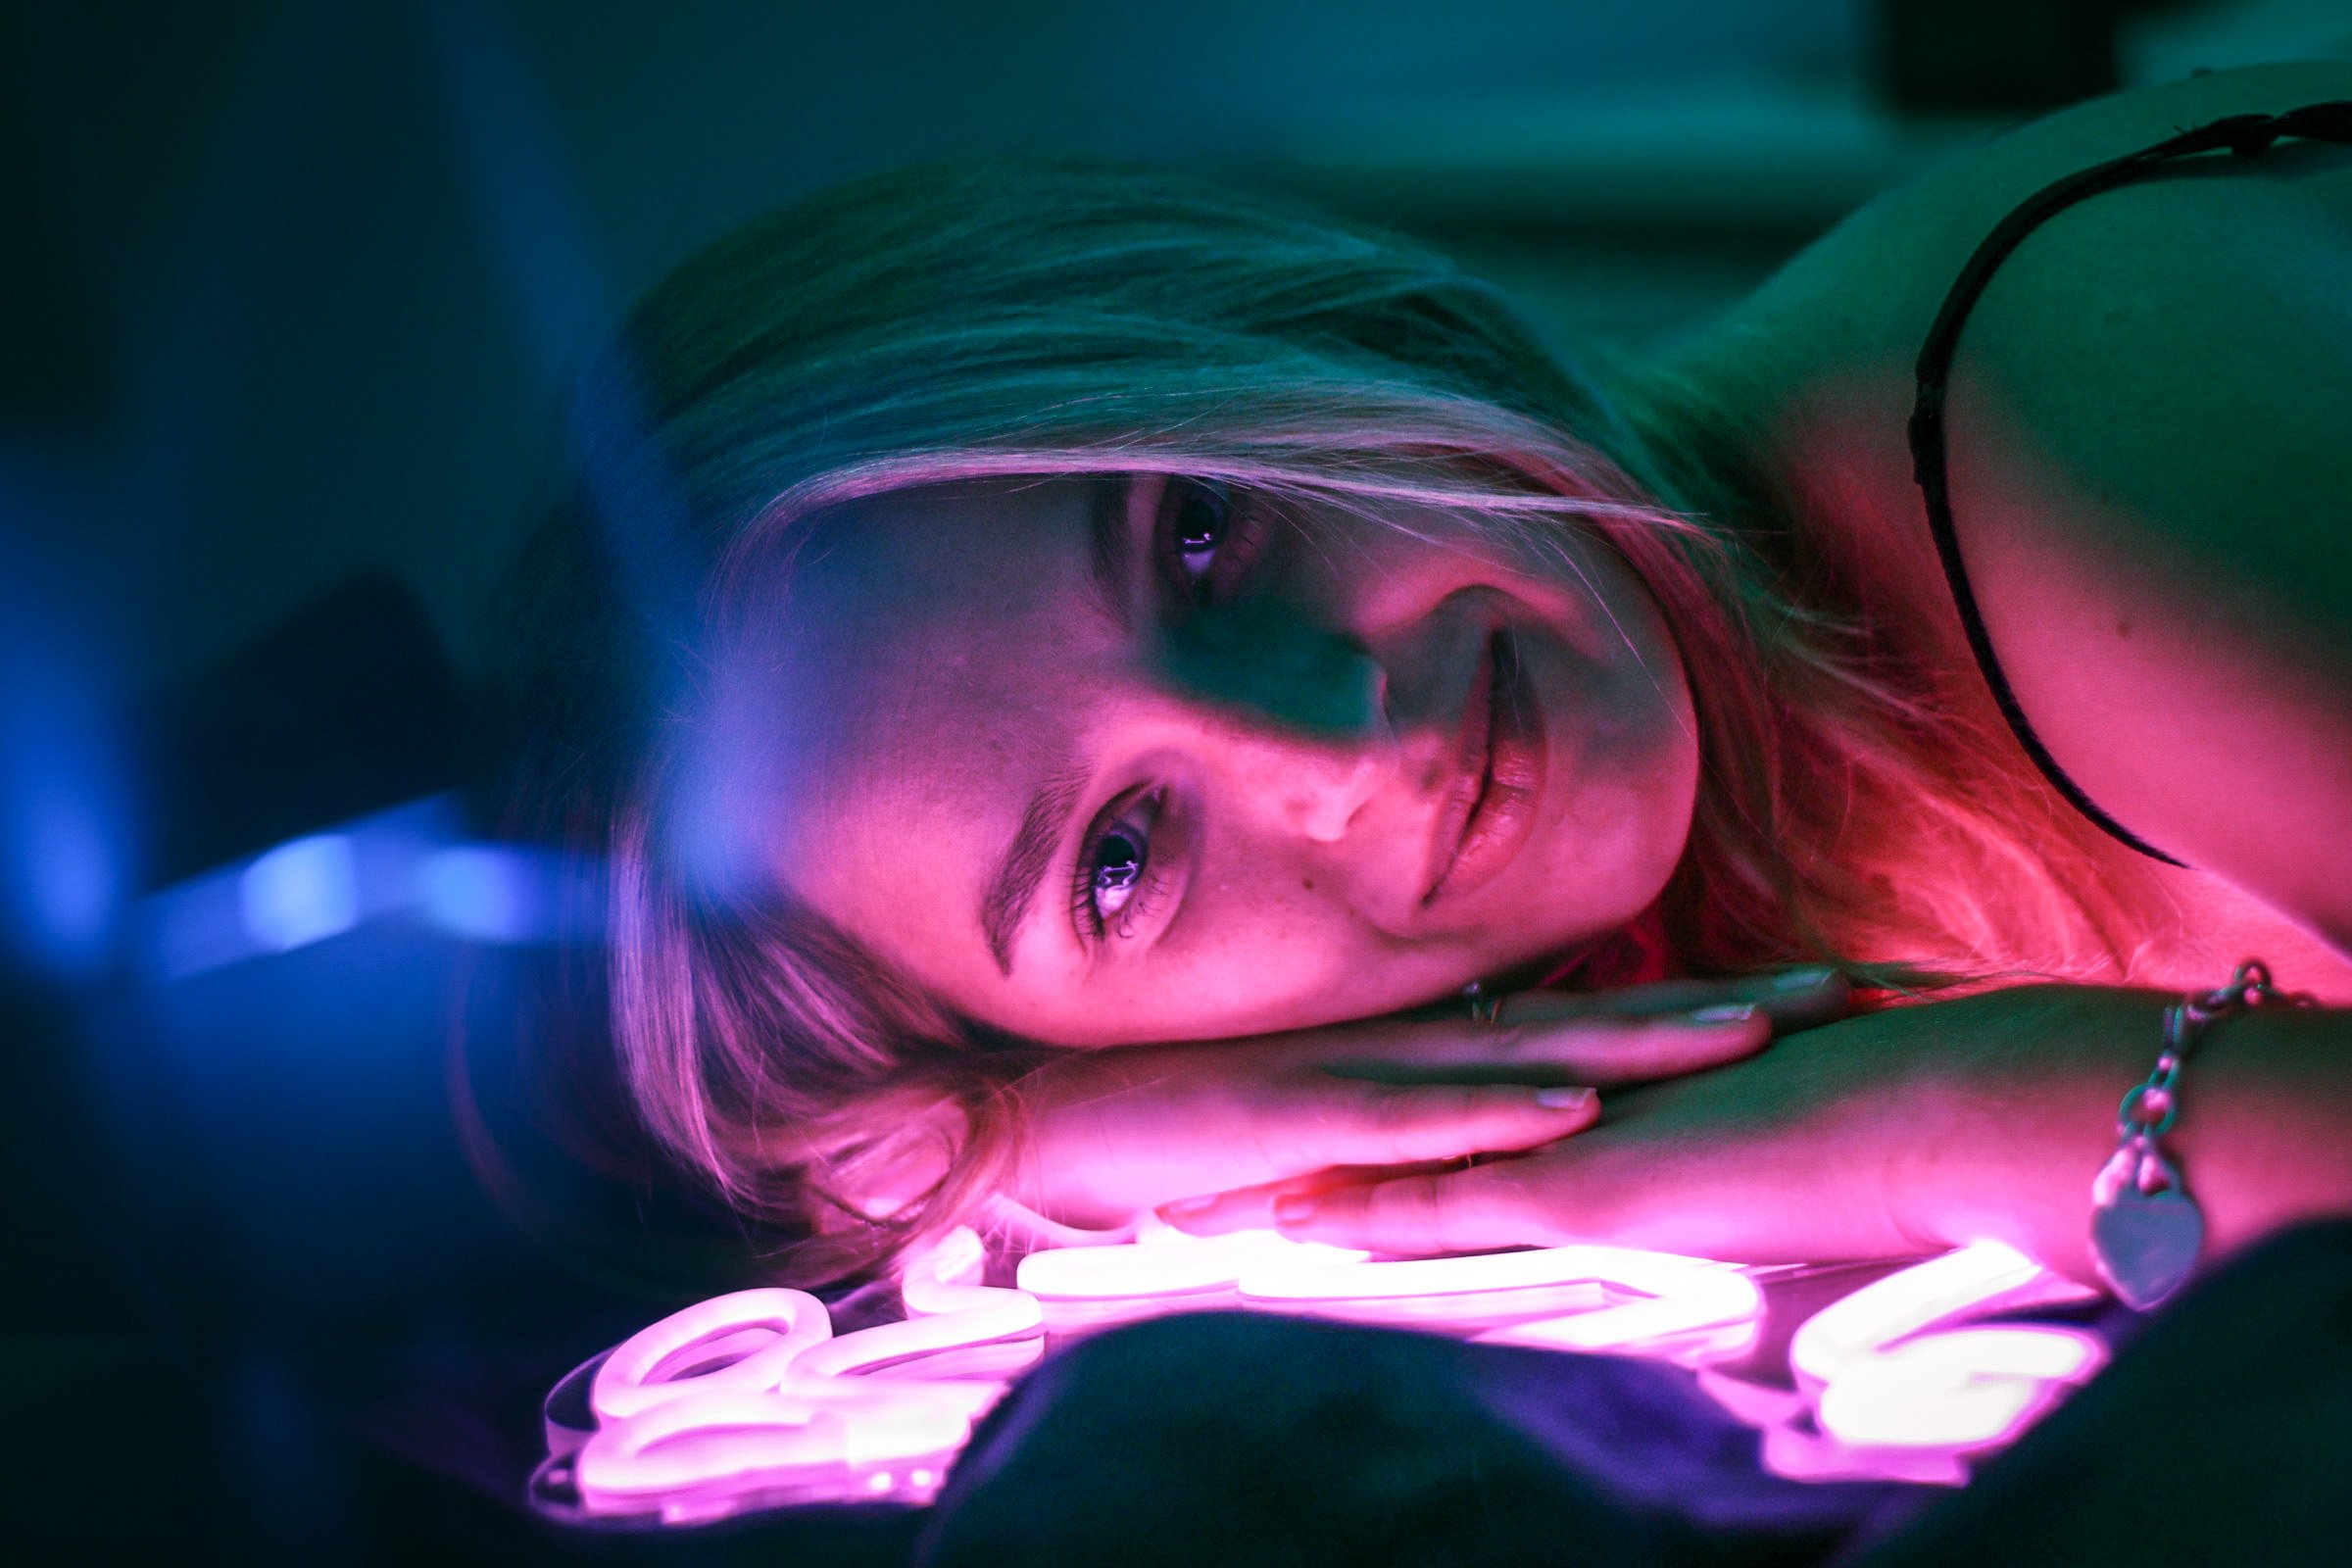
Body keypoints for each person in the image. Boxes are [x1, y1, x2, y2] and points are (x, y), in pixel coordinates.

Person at [481, 61, 2352, 1301]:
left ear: (1273, 343)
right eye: (1120, 863)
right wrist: (1025, 1141)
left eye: (1201, 534)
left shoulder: (2056, 438)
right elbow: (858, 1171)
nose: (1329, 747)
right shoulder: (1692, 897)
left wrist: (1942, 1121)